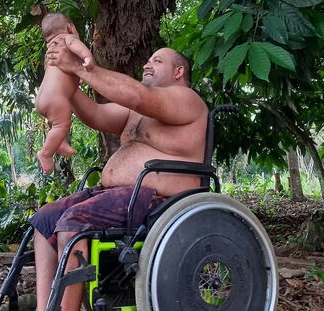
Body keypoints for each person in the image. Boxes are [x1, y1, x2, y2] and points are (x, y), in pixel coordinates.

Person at [30, 36, 208, 311]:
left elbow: (138, 95)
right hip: (119, 195)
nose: (148, 64)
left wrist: (81, 67)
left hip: (160, 201)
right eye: (148, 60)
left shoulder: (186, 99)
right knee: (44, 220)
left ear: (178, 72)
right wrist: (65, 78)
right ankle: (45, 307)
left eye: (157, 61)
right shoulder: (138, 112)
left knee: (72, 222)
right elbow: (96, 114)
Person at [36, 12, 94, 174]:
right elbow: (78, 47)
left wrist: (77, 78)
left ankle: (59, 143)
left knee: (57, 124)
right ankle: (45, 153)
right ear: (70, 27)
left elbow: (58, 75)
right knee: (62, 124)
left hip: (42, 97)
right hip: (55, 99)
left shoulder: (50, 52)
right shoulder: (67, 39)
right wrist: (87, 58)